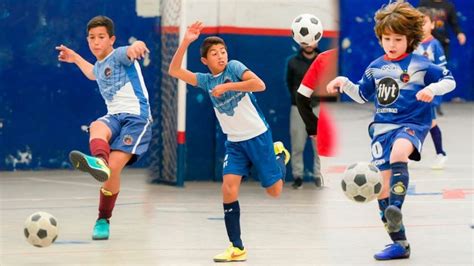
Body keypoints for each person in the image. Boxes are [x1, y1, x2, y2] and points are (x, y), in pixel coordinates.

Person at [326, 2, 455, 260]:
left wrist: (432, 90)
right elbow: (362, 95)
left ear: (410, 39)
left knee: (399, 153)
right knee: (380, 192)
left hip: (411, 125)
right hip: (381, 130)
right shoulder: (375, 67)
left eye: (398, 39)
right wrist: (343, 83)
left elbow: (449, 80)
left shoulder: (420, 64)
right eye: (387, 39)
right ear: (380, 38)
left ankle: (396, 207)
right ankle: (400, 244)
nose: (392, 44)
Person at [168, 21, 290, 262]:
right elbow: (174, 71)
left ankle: (279, 156)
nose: (220, 56)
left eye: (223, 51)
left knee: (274, 191)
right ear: (205, 60)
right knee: (228, 188)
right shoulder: (205, 80)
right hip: (234, 144)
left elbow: (259, 84)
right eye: (214, 54)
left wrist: (228, 86)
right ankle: (237, 247)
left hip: (258, 137)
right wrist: (185, 42)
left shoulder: (234, 68)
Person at [56, 15, 152, 240]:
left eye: (101, 37)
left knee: (115, 168)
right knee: (97, 126)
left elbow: (130, 50)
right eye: (91, 38)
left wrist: (137, 46)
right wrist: (75, 57)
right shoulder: (100, 66)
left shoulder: (118, 54)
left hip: (137, 119)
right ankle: (99, 160)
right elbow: (92, 73)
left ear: (112, 40)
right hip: (114, 116)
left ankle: (103, 218)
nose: (96, 41)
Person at [414, 7, 449, 169]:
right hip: (413, 91)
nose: (421, 25)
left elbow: (442, 71)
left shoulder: (435, 45)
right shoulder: (409, 43)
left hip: (429, 92)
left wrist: (434, 89)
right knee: (411, 121)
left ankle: (441, 154)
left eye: (425, 22)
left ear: (433, 25)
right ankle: (408, 153)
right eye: (417, 22)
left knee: (430, 122)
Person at [285, 43, 323, 189]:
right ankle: (298, 177)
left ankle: (319, 176)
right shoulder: (293, 62)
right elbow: (290, 83)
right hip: (297, 108)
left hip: (318, 106)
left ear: (317, 40)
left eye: (312, 39)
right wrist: (298, 99)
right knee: (297, 144)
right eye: (306, 40)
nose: (309, 44)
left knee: (319, 146)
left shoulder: (322, 61)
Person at [419, 0, 466, 115]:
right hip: (422, 43)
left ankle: (436, 104)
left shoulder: (448, 6)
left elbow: (454, 22)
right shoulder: (424, 3)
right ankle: (419, 102)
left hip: (441, 43)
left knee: (439, 75)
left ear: (432, 24)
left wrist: (459, 33)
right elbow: (415, 18)